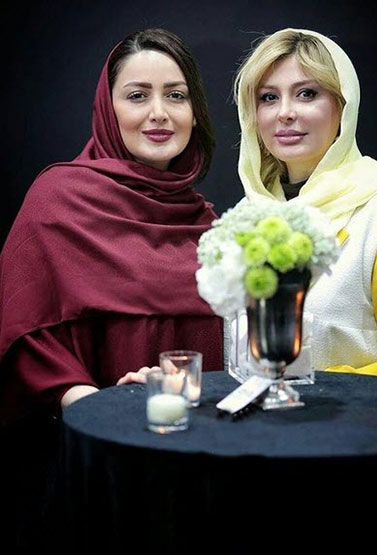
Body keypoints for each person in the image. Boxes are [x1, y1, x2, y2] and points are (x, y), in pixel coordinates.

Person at [0, 28, 223, 426]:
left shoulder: (209, 225)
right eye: (138, 96)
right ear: (108, 107)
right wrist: (102, 408)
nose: (160, 112)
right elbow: (25, 332)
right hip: (97, 440)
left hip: (202, 437)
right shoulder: (57, 201)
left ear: (195, 112)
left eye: (176, 95)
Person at [231, 28, 377, 383]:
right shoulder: (247, 217)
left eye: (306, 93)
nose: (284, 113)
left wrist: (314, 387)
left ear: (343, 106)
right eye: (268, 97)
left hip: (352, 420)